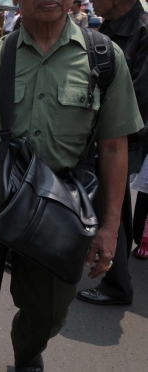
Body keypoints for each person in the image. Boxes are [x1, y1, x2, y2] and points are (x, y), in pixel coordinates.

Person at [0, 0, 144, 370]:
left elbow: (113, 146)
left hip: (59, 201)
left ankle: (27, 356)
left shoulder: (103, 58)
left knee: (50, 309)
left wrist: (109, 228)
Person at [77, 0, 148, 306]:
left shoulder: (142, 30)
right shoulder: (104, 28)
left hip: (119, 136)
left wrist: (107, 133)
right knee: (114, 202)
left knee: (109, 202)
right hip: (97, 132)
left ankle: (117, 283)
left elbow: (139, 95)